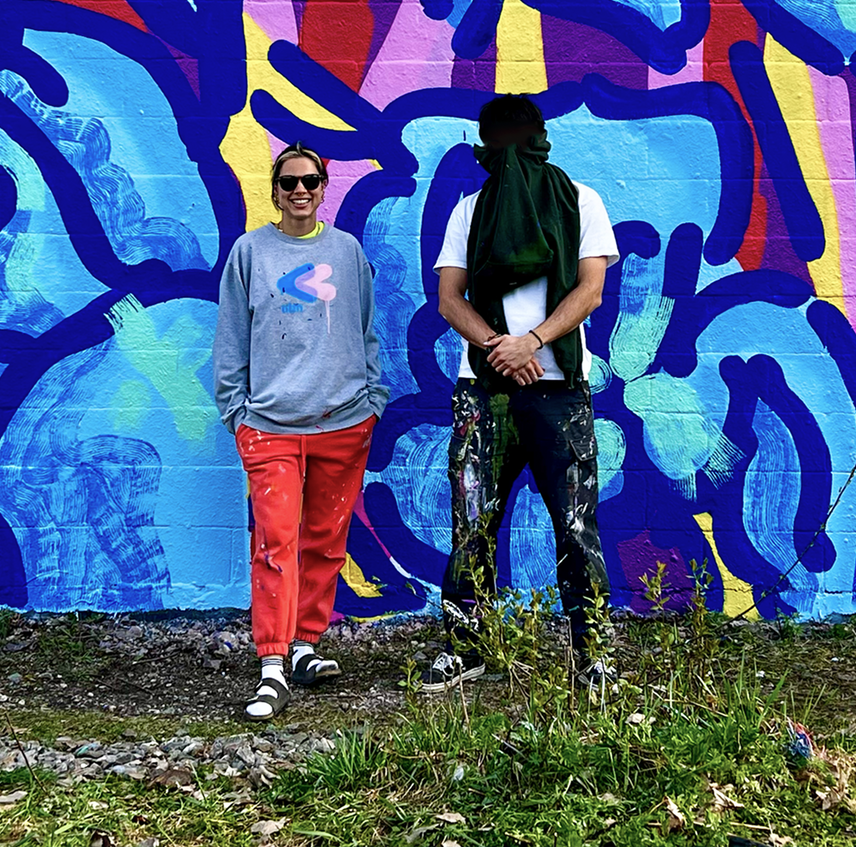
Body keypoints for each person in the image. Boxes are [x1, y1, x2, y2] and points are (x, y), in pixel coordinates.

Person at [423, 94, 619, 693]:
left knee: (575, 524)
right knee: (472, 523)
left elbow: (590, 290)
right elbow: (449, 298)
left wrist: (531, 341)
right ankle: (466, 648)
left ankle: (592, 654)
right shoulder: (470, 212)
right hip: (483, 391)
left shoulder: (582, 202)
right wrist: (497, 347)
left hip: (560, 392)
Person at [213, 142, 389, 720]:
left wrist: (372, 401)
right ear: (274, 189)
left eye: (310, 181)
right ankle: (272, 665)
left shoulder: (346, 250)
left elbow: (366, 329)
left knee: (325, 541)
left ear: (323, 187)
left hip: (344, 422)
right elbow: (231, 337)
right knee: (275, 540)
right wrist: (236, 413)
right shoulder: (250, 252)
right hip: (270, 426)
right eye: (288, 182)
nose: (300, 191)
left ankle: (306, 646)